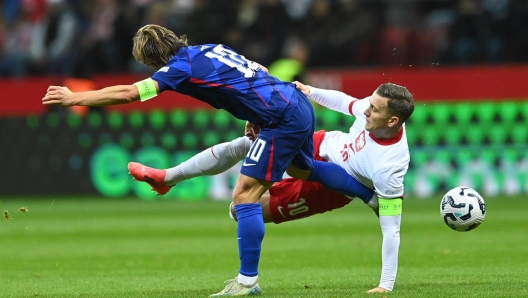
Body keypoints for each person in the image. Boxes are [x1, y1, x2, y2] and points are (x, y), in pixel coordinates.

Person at [42, 24, 375, 297]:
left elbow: (129, 93)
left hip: (280, 118)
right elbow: (256, 70)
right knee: (303, 168)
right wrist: (252, 111)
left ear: (150, 59)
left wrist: (75, 98)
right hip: (293, 102)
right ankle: (370, 195)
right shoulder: (209, 48)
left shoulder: (176, 69)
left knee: (244, 196)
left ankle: (247, 282)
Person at [129, 81, 414, 293]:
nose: (366, 111)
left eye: (373, 110)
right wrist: (310, 92)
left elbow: (392, 228)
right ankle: (168, 177)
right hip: (320, 143)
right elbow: (346, 103)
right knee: (250, 144)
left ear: (392, 120)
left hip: (327, 189)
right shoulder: (372, 106)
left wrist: (385, 286)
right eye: (370, 104)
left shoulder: (390, 166)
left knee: (239, 210)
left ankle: (248, 282)